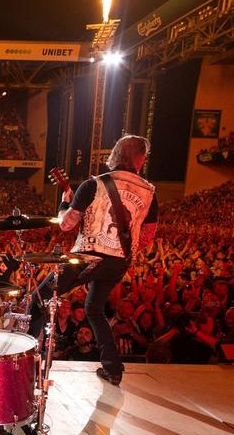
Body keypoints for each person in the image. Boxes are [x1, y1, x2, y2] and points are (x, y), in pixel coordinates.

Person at [29, 135, 159, 386]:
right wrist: (121, 248)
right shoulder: (150, 193)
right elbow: (147, 237)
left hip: (87, 257)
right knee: (94, 309)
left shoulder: (93, 185)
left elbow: (66, 225)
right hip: (119, 262)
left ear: (115, 155)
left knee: (38, 299)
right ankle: (113, 368)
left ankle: (29, 365)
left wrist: (63, 204)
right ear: (140, 160)